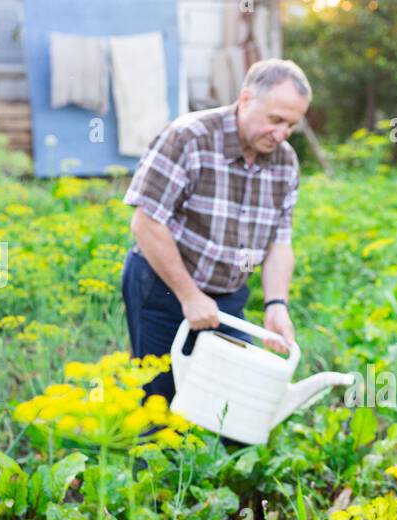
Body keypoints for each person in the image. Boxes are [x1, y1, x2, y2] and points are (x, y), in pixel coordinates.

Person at [120, 58, 309, 414]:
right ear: (246, 98)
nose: (282, 133)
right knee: (159, 400)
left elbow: (279, 244)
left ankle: (215, 467)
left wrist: (276, 305)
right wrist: (189, 296)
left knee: (229, 401)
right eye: (275, 120)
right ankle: (151, 467)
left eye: (292, 125)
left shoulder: (285, 163)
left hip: (227, 296)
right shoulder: (189, 137)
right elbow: (146, 223)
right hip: (161, 286)